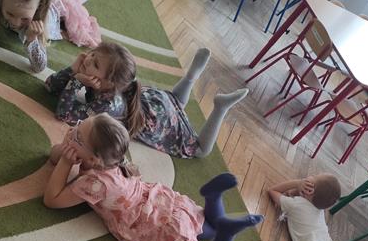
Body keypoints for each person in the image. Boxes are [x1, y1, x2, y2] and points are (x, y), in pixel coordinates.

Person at [43, 113, 263, 241]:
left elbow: (51, 199)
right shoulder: (112, 159)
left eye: (78, 136)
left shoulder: (95, 184)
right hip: (161, 204)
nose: (72, 132)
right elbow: (53, 155)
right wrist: (67, 148)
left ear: (93, 159)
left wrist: (66, 162)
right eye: (78, 127)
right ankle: (213, 198)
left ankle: (226, 235)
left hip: (160, 231)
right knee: (211, 228)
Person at [45, 41, 248, 157]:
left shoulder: (107, 105)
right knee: (177, 101)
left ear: (110, 82)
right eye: (92, 54)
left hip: (159, 120)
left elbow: (63, 114)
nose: (87, 60)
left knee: (200, 150)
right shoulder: (107, 85)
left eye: (95, 64)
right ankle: (190, 77)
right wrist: (73, 69)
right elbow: (50, 86)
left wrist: (75, 80)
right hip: (157, 102)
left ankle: (220, 108)